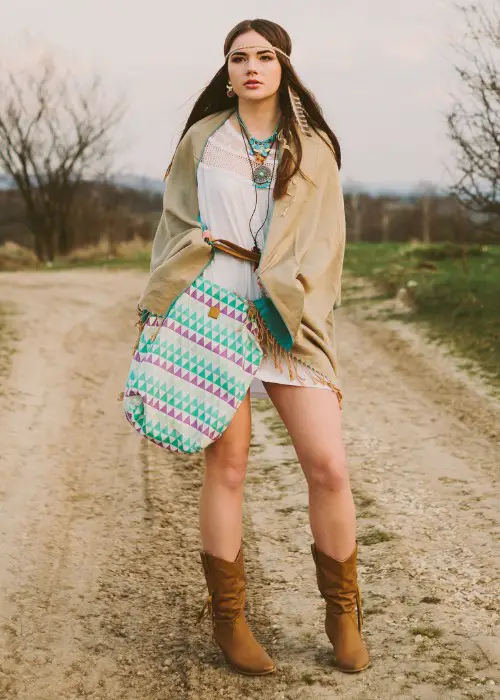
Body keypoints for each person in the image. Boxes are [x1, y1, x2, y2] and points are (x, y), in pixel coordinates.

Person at [138, 18, 370, 676]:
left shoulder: (314, 148)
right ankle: (230, 622)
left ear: (283, 65)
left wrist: (288, 306)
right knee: (228, 466)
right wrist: (158, 305)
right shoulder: (203, 141)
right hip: (212, 307)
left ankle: (344, 611)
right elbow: (175, 226)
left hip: (286, 318)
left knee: (328, 466)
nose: (251, 67)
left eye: (264, 56)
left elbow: (328, 248)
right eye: (239, 57)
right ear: (228, 69)